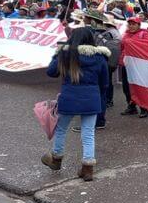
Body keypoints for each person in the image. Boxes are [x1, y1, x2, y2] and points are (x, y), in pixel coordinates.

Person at [41, 27, 109, 181]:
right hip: (91, 99)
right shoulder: (99, 57)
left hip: (69, 98)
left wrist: (56, 54)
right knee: (88, 133)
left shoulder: (65, 54)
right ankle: (87, 169)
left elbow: (51, 72)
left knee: (61, 129)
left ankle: (56, 159)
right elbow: (105, 83)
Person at [120, 16, 148, 118]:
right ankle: (131, 107)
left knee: (139, 87)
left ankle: (143, 108)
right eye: (130, 24)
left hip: (138, 66)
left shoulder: (144, 34)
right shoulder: (125, 34)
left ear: (139, 25)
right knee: (126, 87)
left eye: (134, 24)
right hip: (126, 64)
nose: (131, 26)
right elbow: (122, 47)